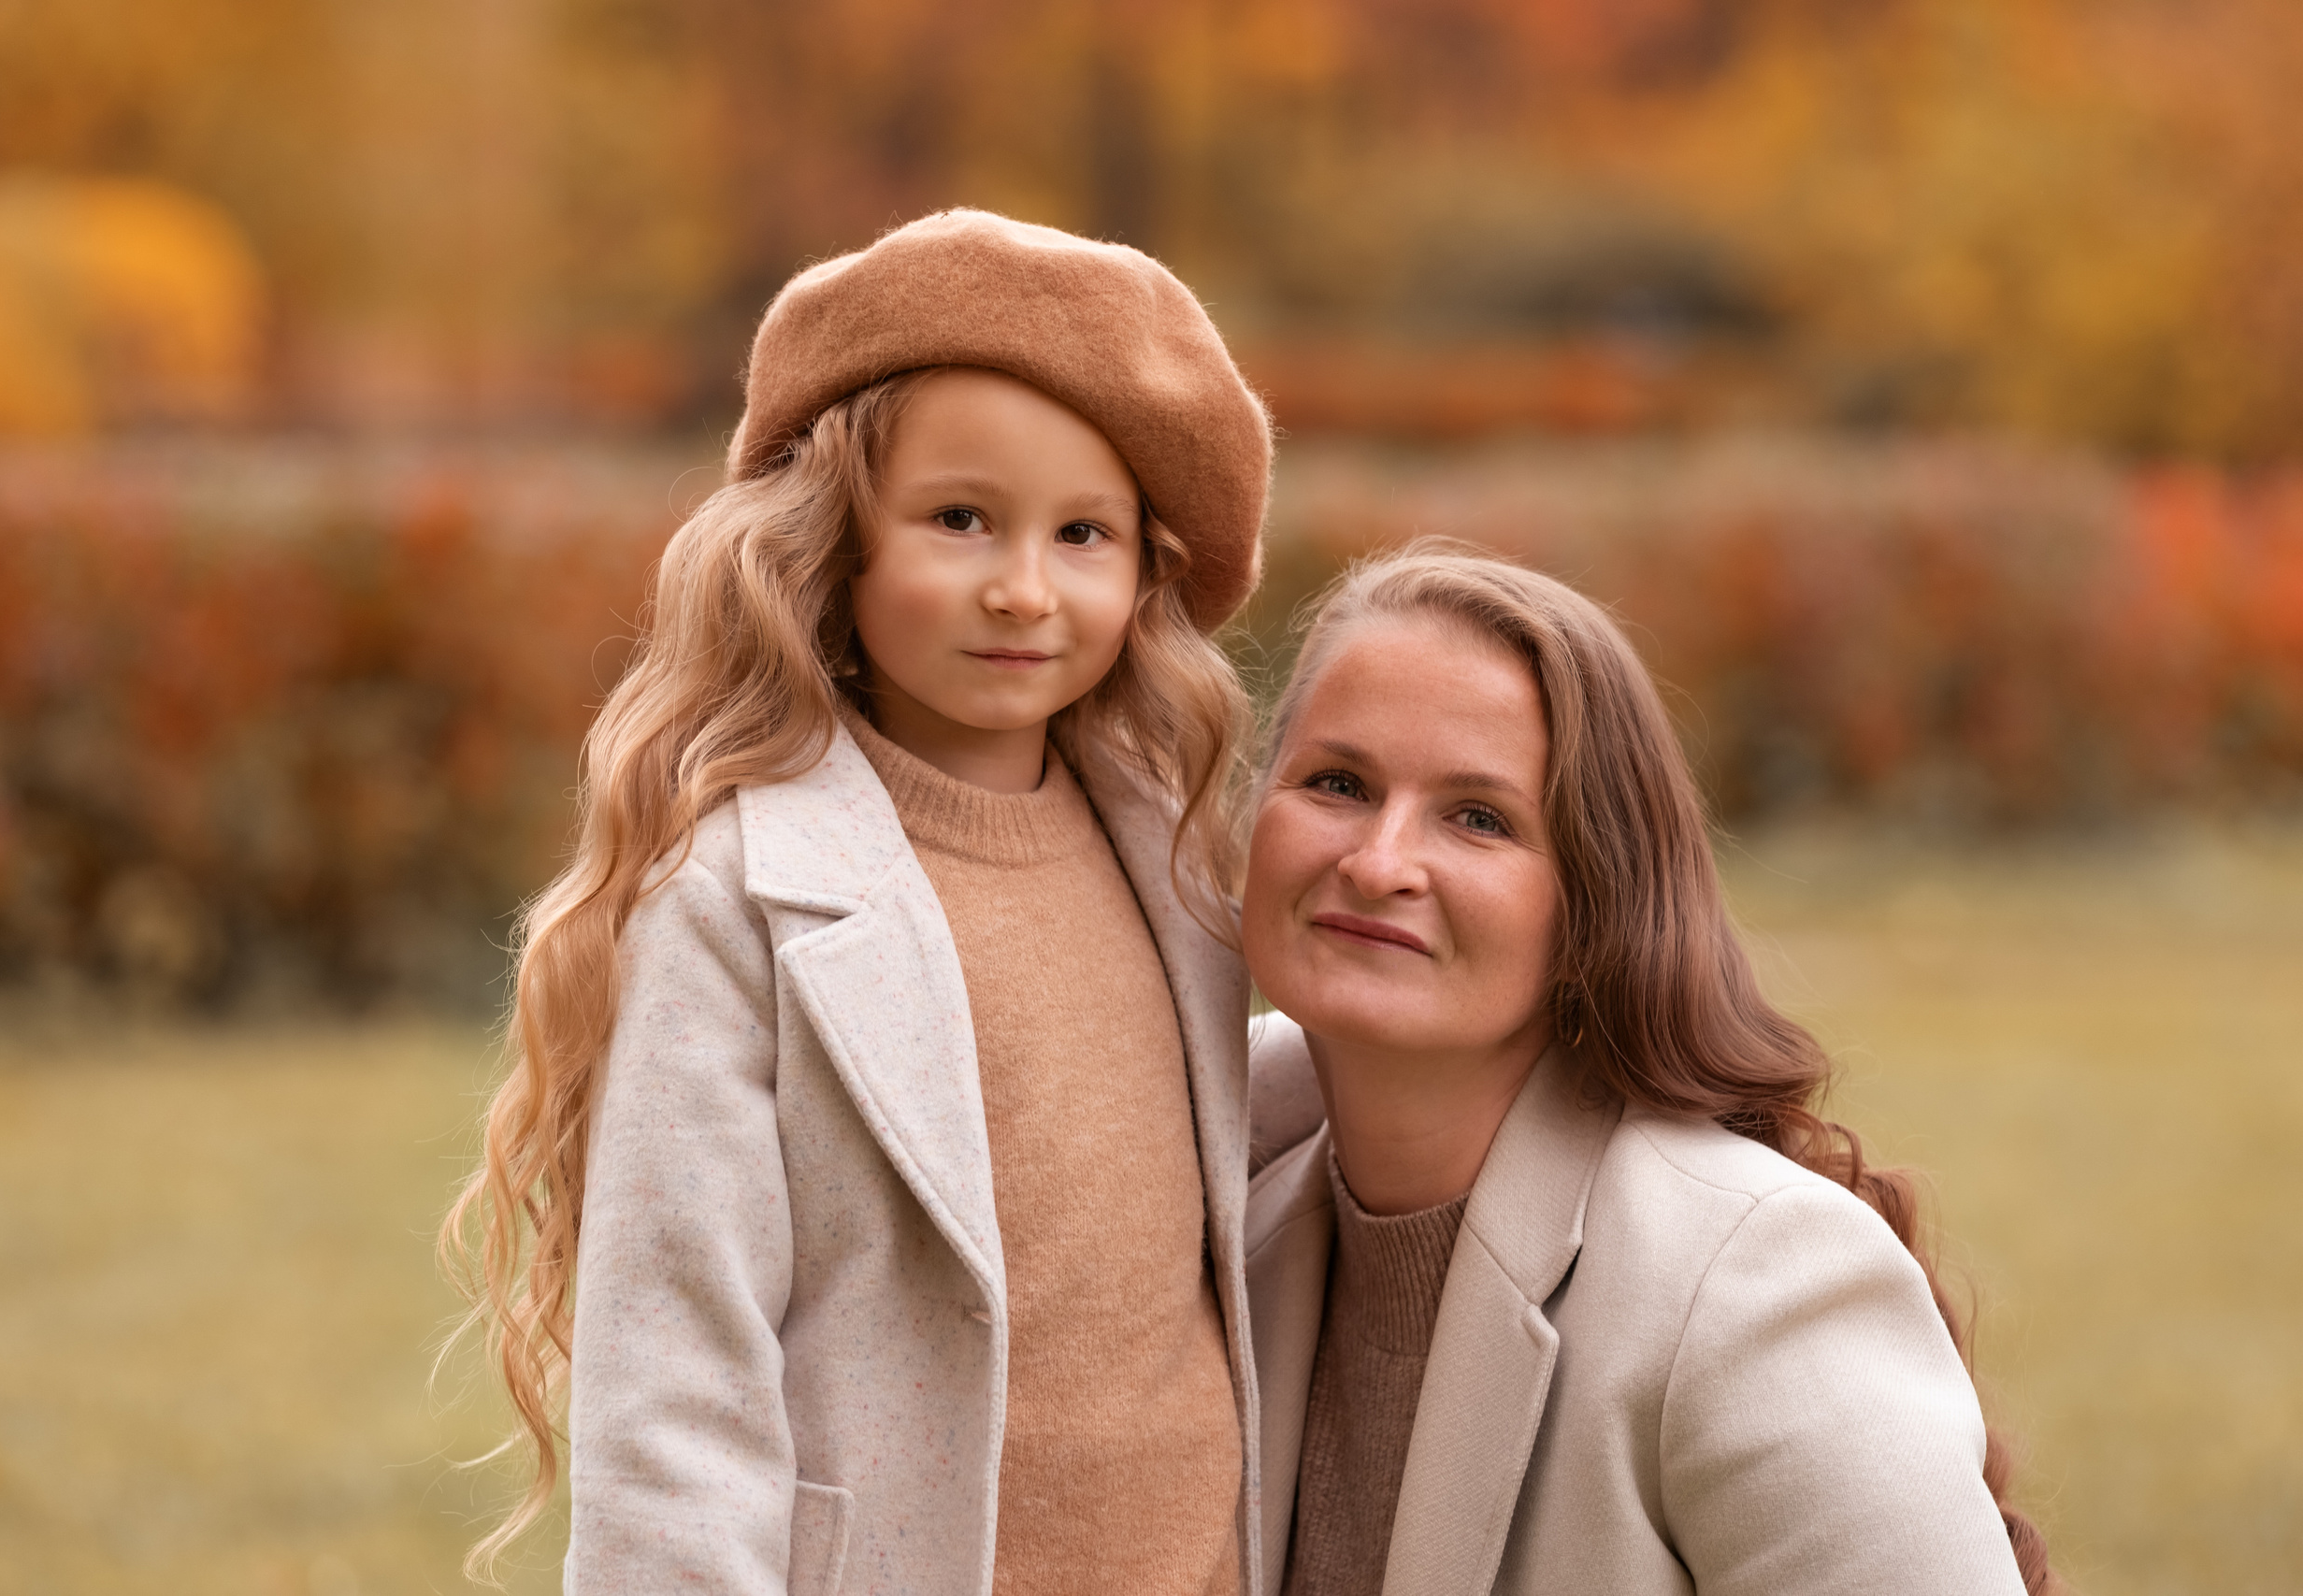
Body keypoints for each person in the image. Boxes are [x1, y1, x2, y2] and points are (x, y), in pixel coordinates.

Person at [443, 210, 1276, 1595]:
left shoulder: (1181, 863)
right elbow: (678, 1385)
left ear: (1146, 571)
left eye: (1084, 532)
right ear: (836, 538)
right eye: (960, 519)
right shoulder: (731, 904)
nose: (1023, 589)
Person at [1240, 545, 2057, 1596]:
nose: (1378, 861)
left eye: (1479, 817)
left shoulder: (1750, 1284)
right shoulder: (1227, 1227)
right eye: (1338, 784)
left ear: (1597, 901)